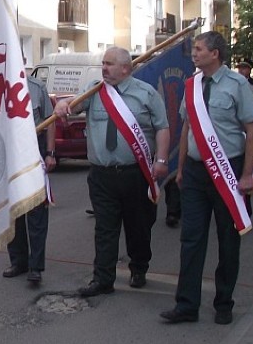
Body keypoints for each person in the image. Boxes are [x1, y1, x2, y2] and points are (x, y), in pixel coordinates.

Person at [160, 31, 253, 325]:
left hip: (228, 169)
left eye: (199, 49)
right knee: (191, 238)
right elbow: (188, 128)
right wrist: (180, 169)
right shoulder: (191, 85)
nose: (194, 53)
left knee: (228, 239)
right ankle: (186, 305)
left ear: (215, 53)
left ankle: (223, 302)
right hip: (194, 171)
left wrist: (247, 174)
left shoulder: (237, 84)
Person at [54, 46, 170, 296]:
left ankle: (139, 267)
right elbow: (71, 106)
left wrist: (160, 159)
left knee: (138, 226)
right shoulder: (95, 91)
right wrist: (62, 105)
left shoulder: (145, 94)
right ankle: (102, 278)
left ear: (126, 68)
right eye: (103, 63)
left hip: (135, 173)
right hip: (102, 175)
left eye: (109, 64)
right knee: (105, 228)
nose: (104, 68)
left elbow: (162, 127)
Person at [3, 73, 56, 285]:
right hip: (8, 154)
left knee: (36, 212)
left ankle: (36, 266)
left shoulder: (36, 87)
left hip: (34, 151)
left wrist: (51, 153)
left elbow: (50, 121)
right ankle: (18, 261)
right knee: (14, 212)